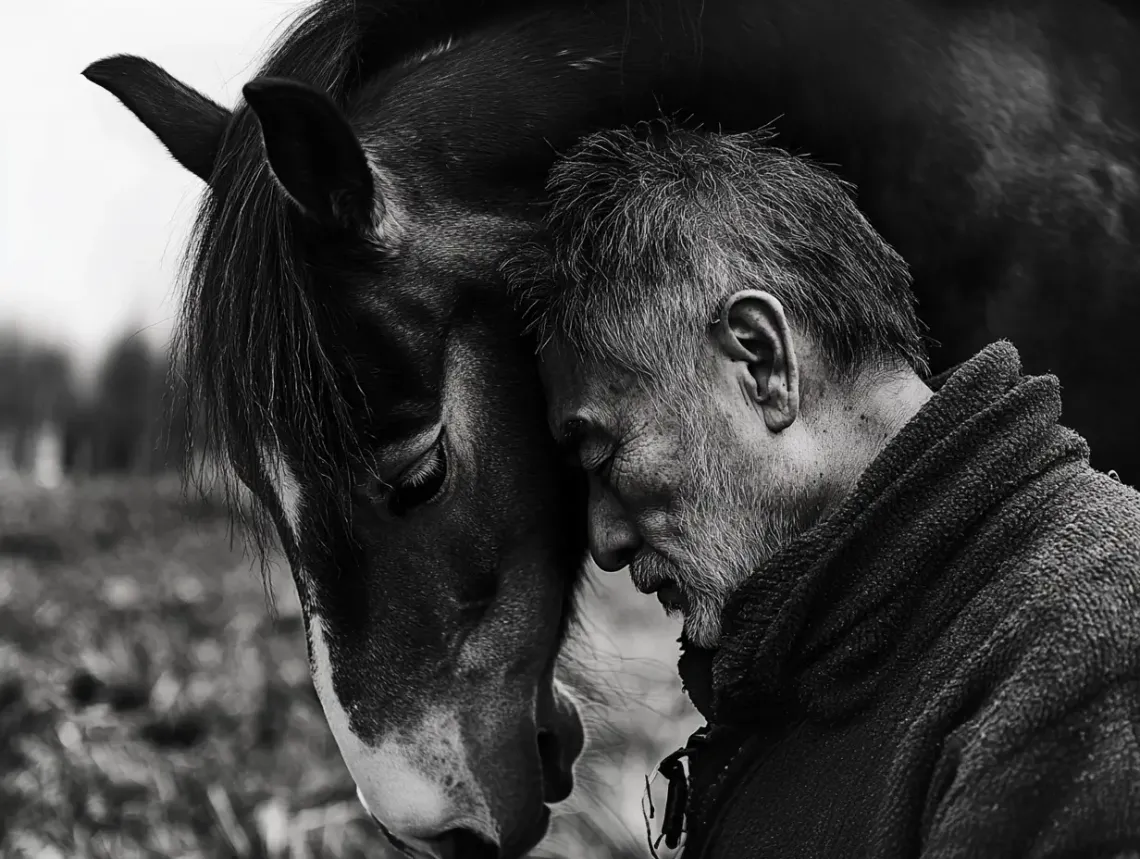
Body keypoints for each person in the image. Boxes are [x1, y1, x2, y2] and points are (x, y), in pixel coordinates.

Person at [501, 121, 1140, 858]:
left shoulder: (1093, 655)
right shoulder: (818, 661)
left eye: (605, 452)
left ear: (762, 363)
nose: (607, 540)